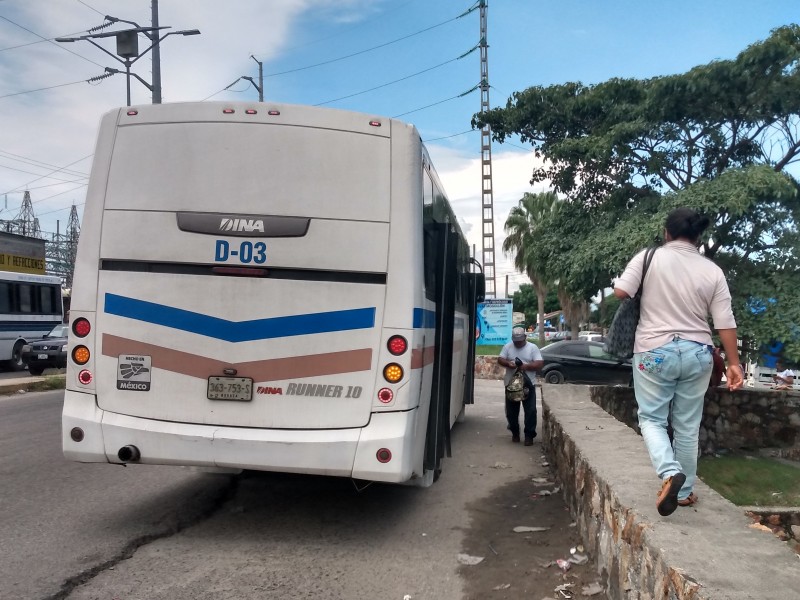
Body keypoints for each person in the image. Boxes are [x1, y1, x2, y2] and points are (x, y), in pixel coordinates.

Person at [613, 207, 744, 517]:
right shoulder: (712, 271)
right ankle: (683, 493)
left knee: (652, 419)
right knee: (686, 427)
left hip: (654, 351)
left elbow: (622, 291)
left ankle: (670, 473)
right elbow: (725, 320)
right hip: (699, 353)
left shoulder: (649, 257)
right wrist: (735, 363)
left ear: (667, 232)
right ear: (698, 237)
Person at [498, 326, 544, 446]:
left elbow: (539, 363)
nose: (518, 343)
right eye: (516, 341)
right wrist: (508, 363)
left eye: (520, 340)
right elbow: (500, 359)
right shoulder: (508, 346)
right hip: (511, 384)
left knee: (531, 411)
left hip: (528, 384)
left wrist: (526, 366)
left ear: (525, 337)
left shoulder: (532, 348)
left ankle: (529, 435)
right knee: (511, 412)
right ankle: (515, 433)